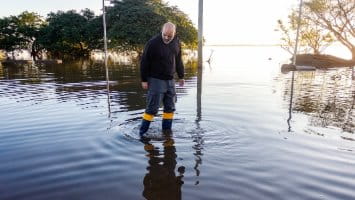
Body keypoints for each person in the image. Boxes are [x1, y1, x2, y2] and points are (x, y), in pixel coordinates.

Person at [139, 22, 185, 136]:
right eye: (164, 34)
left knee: (170, 107)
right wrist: (144, 80)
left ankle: (167, 133)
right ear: (162, 31)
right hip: (155, 79)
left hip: (170, 80)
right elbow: (144, 62)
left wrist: (181, 76)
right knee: (152, 108)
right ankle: (142, 134)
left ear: (174, 33)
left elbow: (179, 60)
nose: (166, 37)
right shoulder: (152, 43)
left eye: (170, 35)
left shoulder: (177, 42)